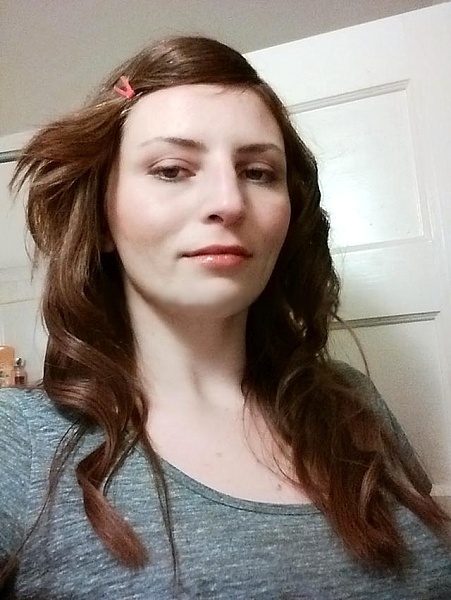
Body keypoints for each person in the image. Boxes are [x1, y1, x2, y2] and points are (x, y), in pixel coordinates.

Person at [0, 36, 450, 599]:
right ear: (101, 217)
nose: (230, 202)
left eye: (258, 172)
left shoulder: (350, 402)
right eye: (172, 170)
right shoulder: (17, 441)